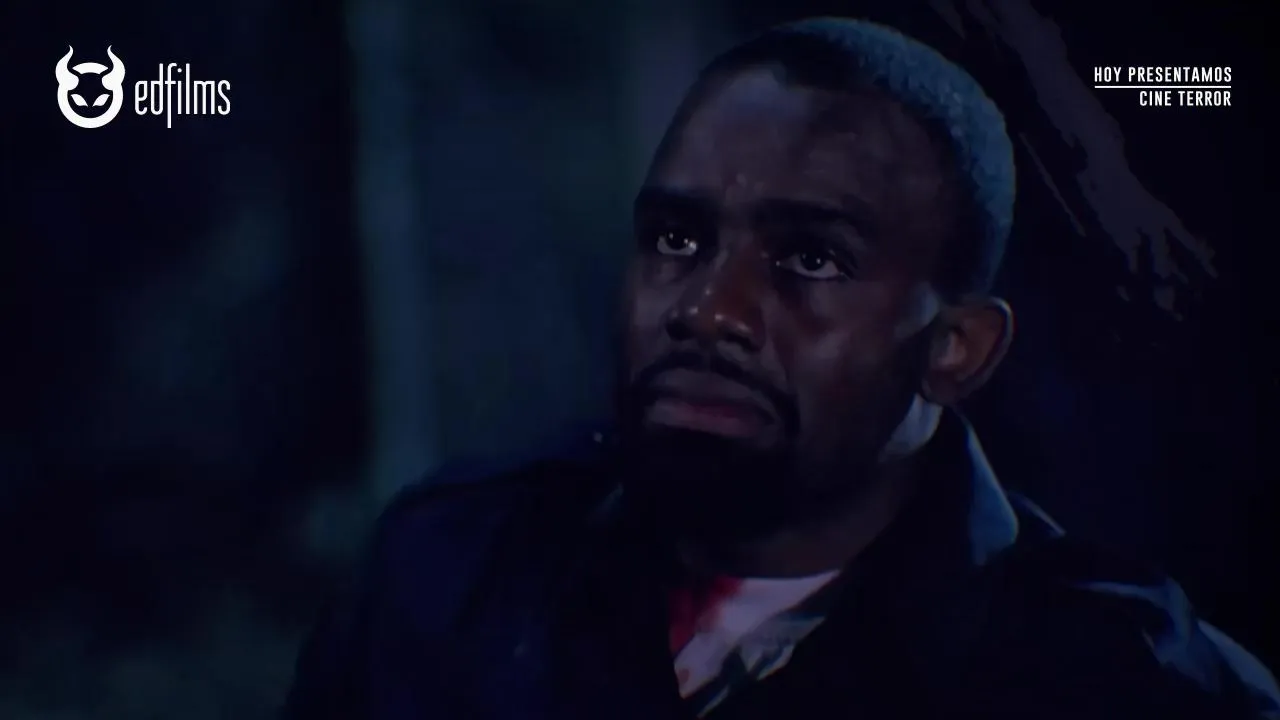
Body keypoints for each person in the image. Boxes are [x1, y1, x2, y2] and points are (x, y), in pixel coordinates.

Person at [283, 18, 1278, 719]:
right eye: (676, 239)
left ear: (956, 349)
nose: (708, 310)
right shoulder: (445, 574)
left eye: (810, 259)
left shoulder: (1123, 687)